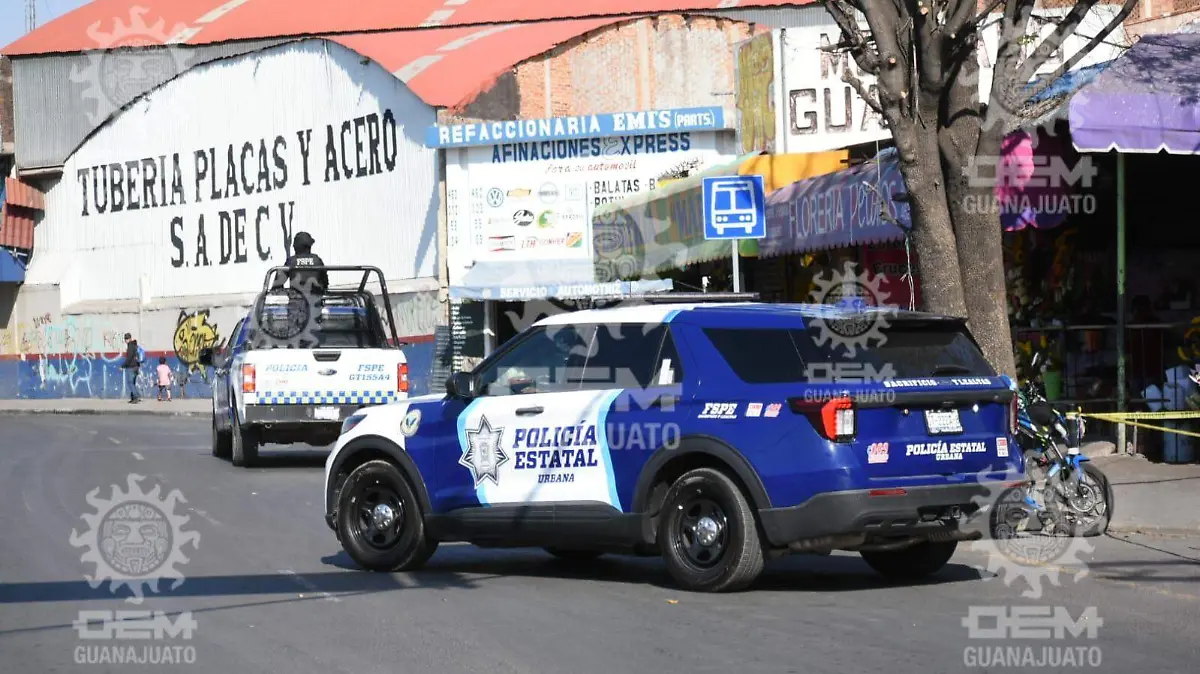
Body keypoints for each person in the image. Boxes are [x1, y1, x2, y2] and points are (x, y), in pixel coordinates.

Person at [121, 333, 143, 404]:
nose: (126, 340)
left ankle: (136, 397)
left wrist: (123, 366)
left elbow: (129, 358)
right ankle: (133, 398)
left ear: (129, 339)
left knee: (130, 382)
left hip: (131, 367)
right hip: (136, 366)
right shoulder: (135, 345)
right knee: (132, 382)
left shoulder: (130, 346)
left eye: (126, 339)